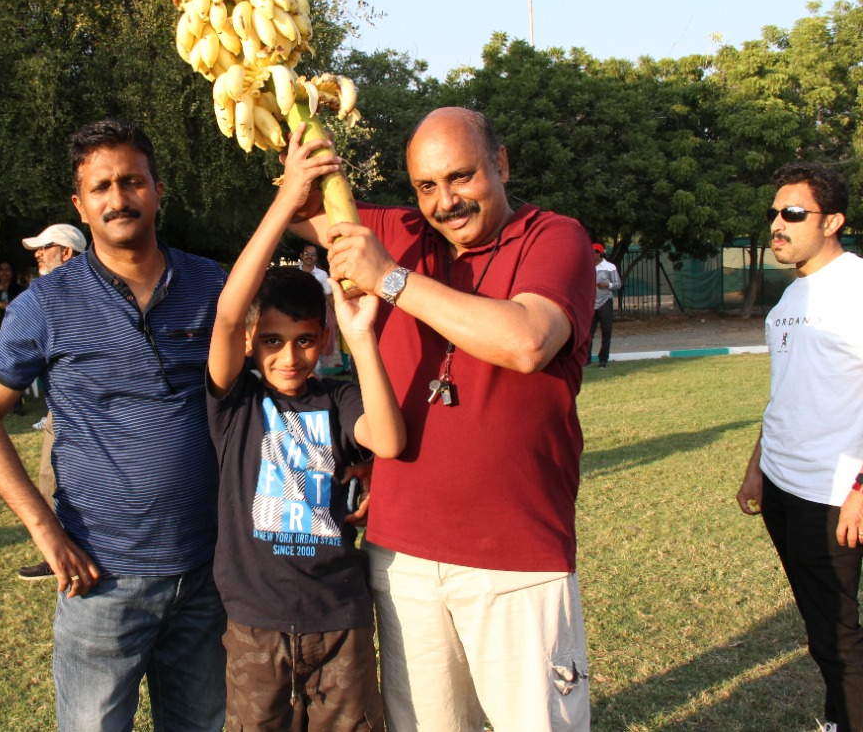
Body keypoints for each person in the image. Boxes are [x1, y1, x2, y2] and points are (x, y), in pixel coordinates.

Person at [290, 107, 595, 730]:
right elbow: (301, 214)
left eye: (462, 177)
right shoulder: (397, 231)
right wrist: (298, 149)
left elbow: (528, 341)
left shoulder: (553, 237)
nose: (446, 202)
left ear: (501, 163)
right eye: (426, 187)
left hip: (516, 560)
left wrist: (391, 278)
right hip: (403, 558)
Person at [0, 117, 227, 731]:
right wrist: (44, 530)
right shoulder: (47, 303)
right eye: (100, 187)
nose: (117, 198)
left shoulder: (213, 286)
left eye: (131, 181)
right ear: (80, 206)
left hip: (207, 573)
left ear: (159, 189)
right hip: (101, 579)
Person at [206, 138, 405, 730]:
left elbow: (388, 443)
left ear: (323, 339)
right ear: (250, 342)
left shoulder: (338, 397)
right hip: (255, 626)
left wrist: (361, 335)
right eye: (271, 341)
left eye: (304, 341)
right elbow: (226, 311)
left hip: (340, 621)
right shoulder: (236, 401)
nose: (289, 357)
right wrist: (289, 198)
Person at [737, 163, 863, 732]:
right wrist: (756, 468)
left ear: (833, 221)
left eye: (793, 214)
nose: (777, 225)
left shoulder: (856, 288)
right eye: (774, 213)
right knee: (822, 627)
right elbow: (785, 395)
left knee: (838, 637)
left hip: (834, 493)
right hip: (785, 489)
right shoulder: (788, 302)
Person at [14, 222, 88, 582]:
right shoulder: (45, 294)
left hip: (85, 408)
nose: (38, 254)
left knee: (66, 480)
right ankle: (58, 552)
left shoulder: (89, 292)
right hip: (59, 407)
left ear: (68, 252)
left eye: (46, 247)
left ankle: (72, 553)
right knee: (48, 477)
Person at [298, 243, 342, 374]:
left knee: (315, 349)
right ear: (301, 256)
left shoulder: (322, 275)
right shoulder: (295, 273)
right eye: (307, 254)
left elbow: (329, 296)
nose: (309, 257)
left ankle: (316, 379)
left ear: (316, 257)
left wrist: (338, 316)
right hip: (297, 317)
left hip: (317, 317)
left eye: (313, 255)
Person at [589, 243, 621, 368]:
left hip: (605, 301)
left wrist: (607, 285)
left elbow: (618, 284)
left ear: (600, 253)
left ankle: (603, 360)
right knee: (588, 333)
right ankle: (586, 359)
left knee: (606, 332)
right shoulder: (586, 266)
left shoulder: (609, 267)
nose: (592, 254)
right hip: (590, 303)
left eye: (595, 252)